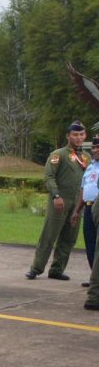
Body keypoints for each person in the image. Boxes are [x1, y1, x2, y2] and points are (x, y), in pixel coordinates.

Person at [26, 120, 89, 281]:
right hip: (60, 202)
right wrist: (56, 195)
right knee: (49, 235)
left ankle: (57, 269)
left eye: (81, 135)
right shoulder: (58, 154)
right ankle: (36, 268)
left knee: (69, 238)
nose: (78, 138)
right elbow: (49, 176)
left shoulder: (86, 157)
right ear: (68, 136)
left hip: (77, 204)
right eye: (75, 135)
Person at [77, 123, 99, 288]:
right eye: (94, 148)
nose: (96, 150)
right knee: (90, 243)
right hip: (88, 209)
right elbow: (83, 189)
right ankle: (94, 277)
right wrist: (77, 211)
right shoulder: (90, 166)